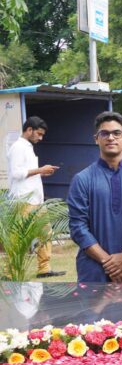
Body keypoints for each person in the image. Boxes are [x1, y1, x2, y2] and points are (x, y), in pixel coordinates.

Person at [67, 111, 122, 282]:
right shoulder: (82, 179)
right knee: (93, 309)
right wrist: (108, 262)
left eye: (117, 133)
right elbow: (78, 227)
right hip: (93, 269)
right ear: (96, 139)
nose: (111, 138)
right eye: (105, 133)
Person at [6, 116, 63, 278]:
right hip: (23, 199)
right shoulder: (18, 147)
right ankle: (9, 273)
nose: (41, 137)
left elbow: (27, 173)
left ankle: (44, 269)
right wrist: (40, 170)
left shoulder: (27, 147)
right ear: (29, 130)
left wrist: (42, 172)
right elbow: (16, 173)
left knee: (45, 233)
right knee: (19, 237)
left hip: (36, 200)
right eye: (38, 133)